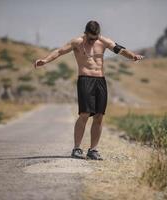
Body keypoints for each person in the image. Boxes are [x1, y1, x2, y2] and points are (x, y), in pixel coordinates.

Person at [34, 20, 144, 160]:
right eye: (91, 37)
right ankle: (77, 148)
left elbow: (120, 49)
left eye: (96, 37)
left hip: (100, 80)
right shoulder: (77, 42)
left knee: (99, 116)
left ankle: (93, 150)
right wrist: (45, 60)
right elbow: (59, 51)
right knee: (85, 114)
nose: (94, 40)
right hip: (85, 80)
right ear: (86, 33)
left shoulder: (103, 41)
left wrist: (133, 56)